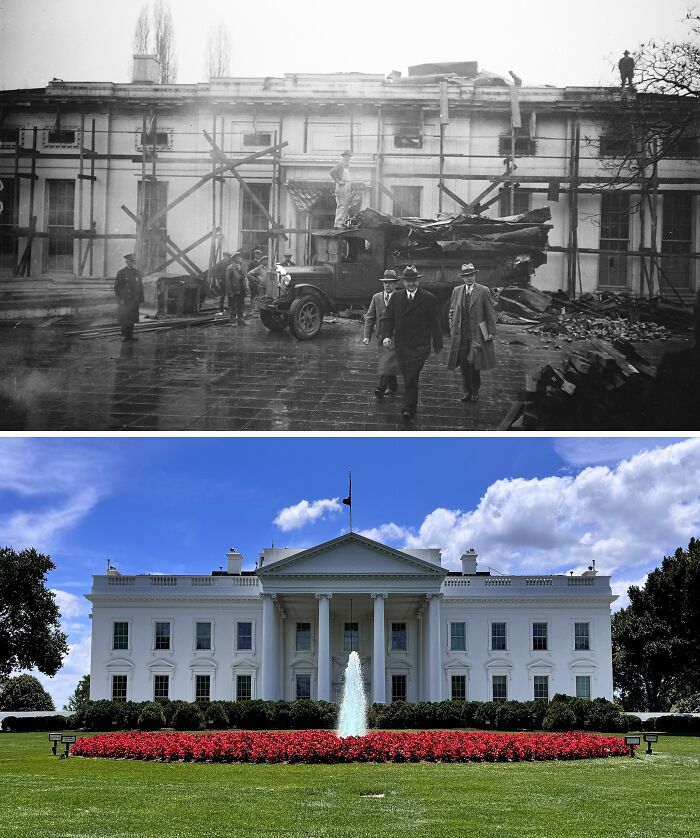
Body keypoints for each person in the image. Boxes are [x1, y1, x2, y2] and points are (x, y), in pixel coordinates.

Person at [380, 265, 443, 421]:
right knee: (409, 377)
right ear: (403, 282)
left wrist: (437, 342)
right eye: (408, 281)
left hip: (419, 347)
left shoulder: (428, 298)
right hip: (401, 346)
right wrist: (386, 336)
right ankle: (409, 406)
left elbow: (435, 323)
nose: (411, 284)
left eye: (414, 280)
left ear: (418, 281)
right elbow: (388, 318)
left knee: (411, 377)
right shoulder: (396, 297)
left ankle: (409, 409)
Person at [446, 263, 497, 402]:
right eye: (466, 276)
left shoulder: (483, 290)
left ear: (475, 275)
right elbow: (451, 311)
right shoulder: (457, 291)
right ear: (462, 278)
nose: (469, 278)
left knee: (474, 362)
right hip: (461, 335)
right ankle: (466, 391)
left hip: (476, 334)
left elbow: (490, 312)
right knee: (463, 363)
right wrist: (452, 328)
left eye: (471, 275)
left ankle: (475, 391)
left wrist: (491, 331)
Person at [362, 269, 400, 399]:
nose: (387, 285)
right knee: (387, 361)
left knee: (387, 361)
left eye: (390, 282)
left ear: (395, 284)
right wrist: (367, 336)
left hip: (394, 336)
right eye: (385, 283)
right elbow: (370, 317)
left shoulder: (400, 297)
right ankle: (393, 386)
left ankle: (380, 389)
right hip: (380, 336)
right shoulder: (376, 297)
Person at [114, 253, 144, 342]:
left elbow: (140, 286)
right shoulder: (121, 273)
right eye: (131, 261)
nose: (133, 263)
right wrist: (120, 299)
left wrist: (141, 298)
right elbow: (116, 287)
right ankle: (124, 335)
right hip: (125, 299)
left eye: (134, 261)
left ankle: (130, 335)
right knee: (124, 317)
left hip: (134, 299)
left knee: (132, 317)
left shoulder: (137, 272)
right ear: (126, 262)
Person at [330, 150, 352, 228]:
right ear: (344, 156)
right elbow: (332, 172)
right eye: (347, 156)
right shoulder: (340, 165)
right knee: (342, 204)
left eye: (349, 157)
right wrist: (338, 181)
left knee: (345, 205)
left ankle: (341, 222)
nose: (348, 158)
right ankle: (338, 224)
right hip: (342, 187)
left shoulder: (347, 166)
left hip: (347, 186)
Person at [224, 252, 248, 326]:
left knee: (241, 305)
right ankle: (233, 321)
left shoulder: (242, 267)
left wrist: (247, 288)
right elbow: (228, 281)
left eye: (240, 257)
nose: (240, 258)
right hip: (234, 290)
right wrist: (230, 291)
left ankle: (241, 320)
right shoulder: (230, 268)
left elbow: (245, 278)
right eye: (238, 257)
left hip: (242, 289)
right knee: (233, 306)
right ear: (234, 259)